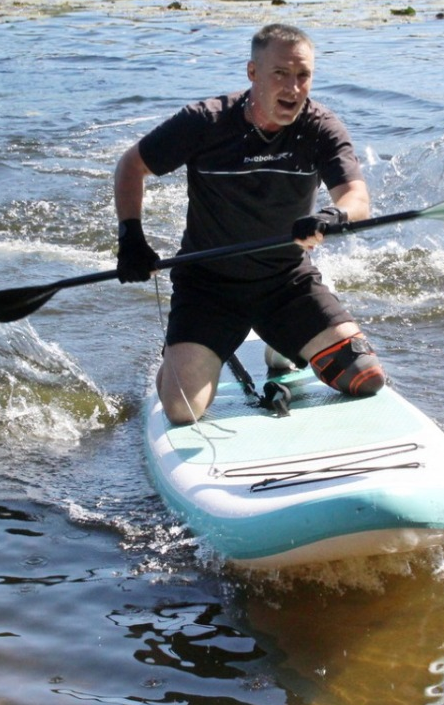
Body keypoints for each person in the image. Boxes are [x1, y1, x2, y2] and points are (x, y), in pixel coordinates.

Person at [112, 23, 385, 426]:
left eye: (303, 76)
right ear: (253, 73)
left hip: (286, 282)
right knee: (182, 412)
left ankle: (283, 343)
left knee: (366, 378)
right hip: (208, 287)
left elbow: (357, 199)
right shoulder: (204, 122)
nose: (293, 88)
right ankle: (185, 359)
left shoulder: (321, 128)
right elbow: (131, 165)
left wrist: (333, 216)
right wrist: (131, 237)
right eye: (280, 74)